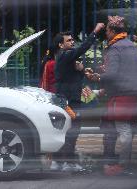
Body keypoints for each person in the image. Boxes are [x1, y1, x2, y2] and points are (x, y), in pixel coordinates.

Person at [87, 15, 137, 175]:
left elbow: (112, 75)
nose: (106, 34)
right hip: (131, 94)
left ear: (112, 31)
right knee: (122, 129)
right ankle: (116, 164)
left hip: (120, 95)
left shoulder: (115, 47)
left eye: (107, 31)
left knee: (122, 131)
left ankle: (122, 165)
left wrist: (96, 77)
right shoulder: (130, 45)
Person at [50, 23, 105, 171]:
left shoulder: (65, 57)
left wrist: (80, 70)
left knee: (69, 130)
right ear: (61, 45)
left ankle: (59, 162)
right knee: (72, 131)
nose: (72, 42)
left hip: (68, 98)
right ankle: (68, 163)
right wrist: (95, 31)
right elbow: (82, 48)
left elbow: (71, 77)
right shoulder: (66, 55)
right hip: (69, 100)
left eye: (72, 39)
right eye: (69, 40)